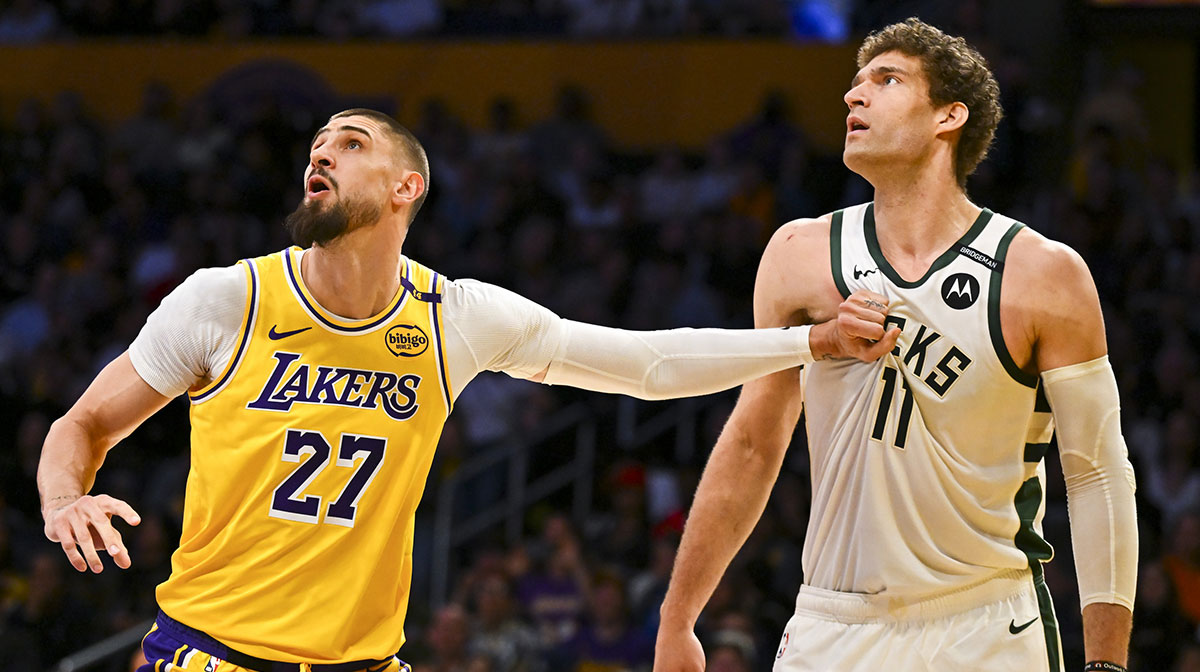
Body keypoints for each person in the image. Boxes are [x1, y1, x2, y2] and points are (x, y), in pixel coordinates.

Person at [36, 108, 897, 671]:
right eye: (316, 148)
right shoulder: (227, 299)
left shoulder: (455, 317)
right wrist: (63, 498)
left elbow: (647, 365)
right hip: (209, 654)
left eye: (349, 142)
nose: (321, 154)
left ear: (406, 187)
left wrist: (808, 341)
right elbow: (81, 424)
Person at [653, 18, 1138, 672]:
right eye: (855, 84)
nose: (854, 97)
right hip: (833, 623)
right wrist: (678, 616)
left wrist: (1106, 664)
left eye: (886, 80)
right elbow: (751, 443)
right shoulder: (800, 255)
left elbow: (1098, 474)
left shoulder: (1045, 274)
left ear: (948, 116)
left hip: (988, 623)